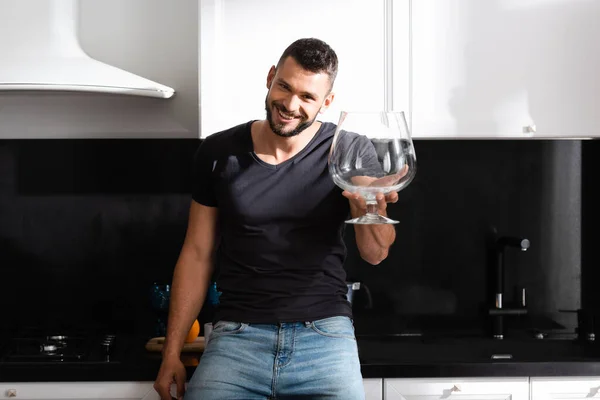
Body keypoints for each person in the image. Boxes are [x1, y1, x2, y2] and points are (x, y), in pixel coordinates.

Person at [154, 37, 398, 400]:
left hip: (325, 339)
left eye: (307, 97)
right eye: (285, 86)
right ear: (271, 77)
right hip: (236, 339)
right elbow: (197, 254)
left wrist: (370, 205)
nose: (290, 104)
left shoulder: (348, 149)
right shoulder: (219, 152)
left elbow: (376, 253)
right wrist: (171, 352)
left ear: (326, 103)